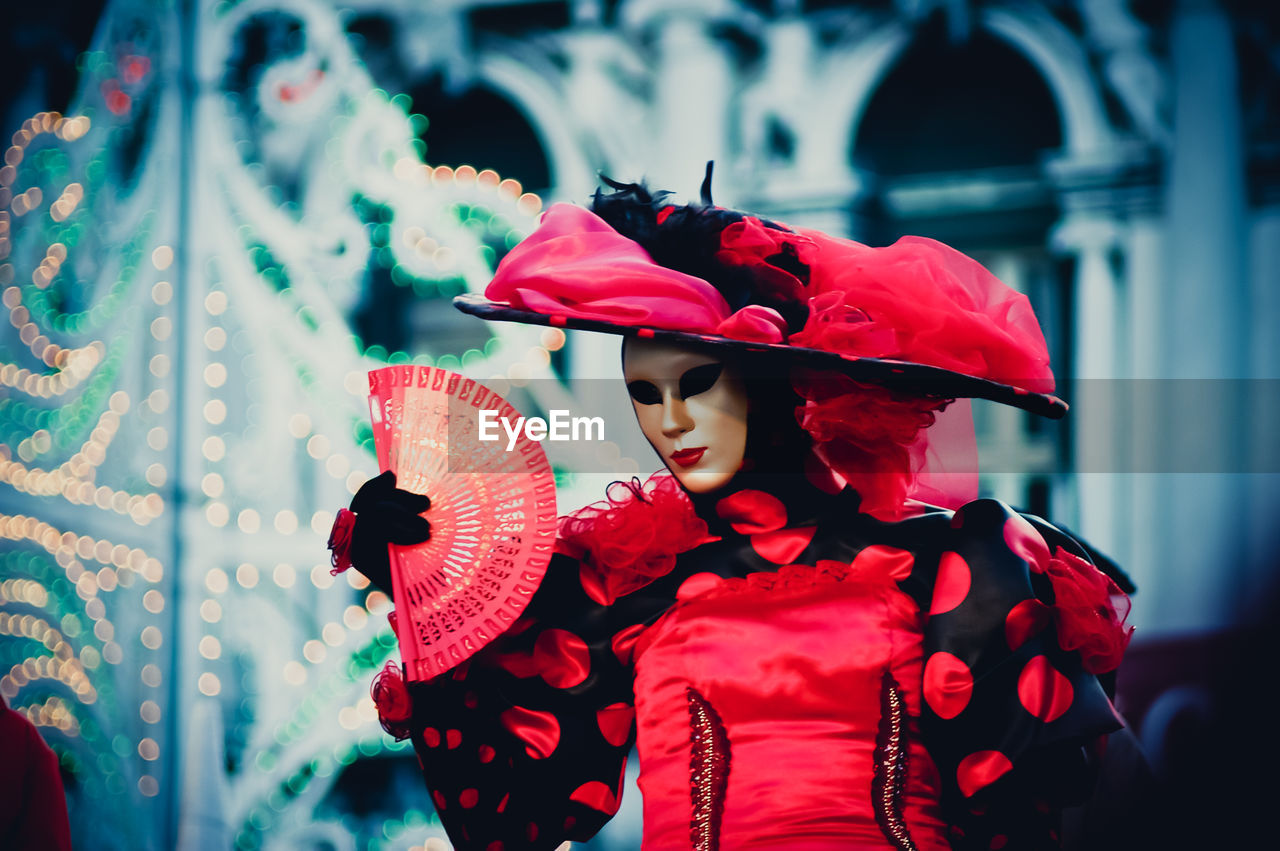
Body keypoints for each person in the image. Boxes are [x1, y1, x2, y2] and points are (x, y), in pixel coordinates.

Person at [332, 174, 1133, 850]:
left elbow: (1034, 819)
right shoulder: (620, 591)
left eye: (697, 385)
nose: (671, 420)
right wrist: (426, 602)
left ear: (763, 381)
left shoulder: (950, 564)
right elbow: (509, 827)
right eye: (645, 394)